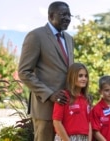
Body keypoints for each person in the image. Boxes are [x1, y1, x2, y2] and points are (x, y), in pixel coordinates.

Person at [17, 1, 74, 141]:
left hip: (67, 108)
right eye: (63, 14)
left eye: (69, 15)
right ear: (50, 16)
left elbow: (70, 72)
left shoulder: (69, 38)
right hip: (45, 108)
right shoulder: (35, 36)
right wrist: (49, 94)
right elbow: (24, 72)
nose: (67, 18)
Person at [53, 63, 92, 141]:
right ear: (72, 77)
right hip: (66, 138)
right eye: (80, 76)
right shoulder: (64, 96)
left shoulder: (87, 98)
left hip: (84, 138)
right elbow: (57, 122)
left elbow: (89, 123)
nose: (84, 79)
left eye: (86, 76)